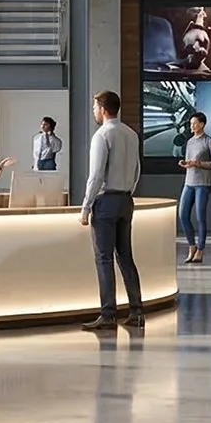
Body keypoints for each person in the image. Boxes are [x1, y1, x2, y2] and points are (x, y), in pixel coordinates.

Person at [81, 91, 146, 331]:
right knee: (126, 257)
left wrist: (86, 206)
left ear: (102, 108)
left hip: (106, 202)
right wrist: (128, 192)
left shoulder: (102, 136)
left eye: (94, 107)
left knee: (104, 258)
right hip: (126, 201)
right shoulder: (131, 134)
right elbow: (137, 170)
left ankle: (108, 315)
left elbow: (96, 175)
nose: (94, 111)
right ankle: (137, 312)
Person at [177, 112, 211, 263]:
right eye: (191, 124)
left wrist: (199, 164)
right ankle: (191, 246)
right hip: (189, 182)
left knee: (200, 217)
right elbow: (190, 161)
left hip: (203, 184)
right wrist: (186, 163)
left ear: (202, 124)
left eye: (194, 123)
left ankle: (200, 249)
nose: (192, 126)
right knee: (183, 215)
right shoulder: (190, 142)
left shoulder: (209, 142)